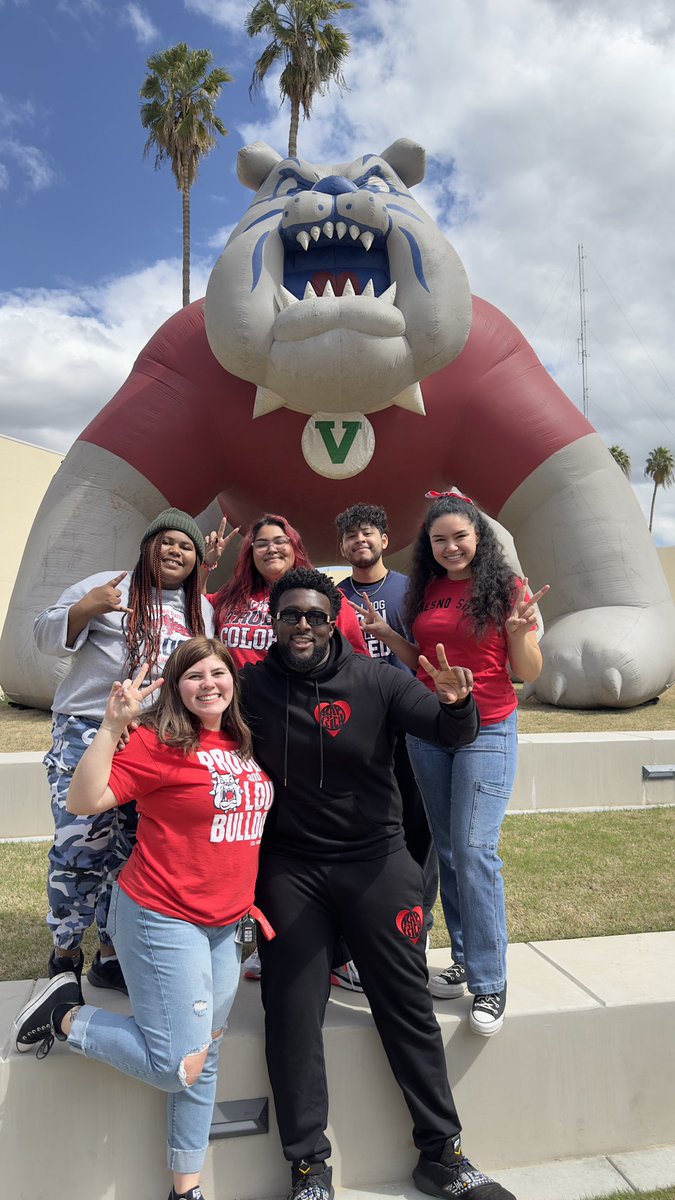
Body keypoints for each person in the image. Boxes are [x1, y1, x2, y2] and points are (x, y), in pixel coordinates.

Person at [238, 566, 516, 1200]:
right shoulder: (249, 686)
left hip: (376, 863)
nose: (302, 625)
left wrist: (457, 701)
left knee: (408, 1005)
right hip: (291, 871)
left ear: (333, 618)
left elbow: (451, 730)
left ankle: (443, 1156)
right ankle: (309, 1167)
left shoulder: (379, 680)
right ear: (273, 621)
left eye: (314, 614)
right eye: (290, 615)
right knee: (289, 1013)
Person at [13, 637, 274, 1200]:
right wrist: (110, 726)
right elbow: (85, 801)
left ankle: (187, 1189)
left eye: (217, 673)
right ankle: (64, 1016)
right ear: (177, 690)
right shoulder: (161, 743)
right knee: (178, 1064)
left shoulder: (243, 742)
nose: (209, 684)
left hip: (226, 925)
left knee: (205, 1058)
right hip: (163, 916)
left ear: (233, 680)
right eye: (193, 676)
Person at [355, 492, 548, 1037]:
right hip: (431, 728)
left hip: (487, 727)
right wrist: (389, 635)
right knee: (449, 849)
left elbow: (528, 670)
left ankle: (490, 980)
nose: (450, 547)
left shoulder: (507, 589)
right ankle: (464, 958)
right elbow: (424, 654)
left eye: (459, 536)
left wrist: (516, 633)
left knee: (474, 848)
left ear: (479, 537)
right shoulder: (427, 590)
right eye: (439, 540)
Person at [34, 508, 215, 999]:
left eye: (186, 546)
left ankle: (112, 952)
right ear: (147, 545)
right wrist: (87, 609)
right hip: (88, 732)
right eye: (166, 541)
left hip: (154, 742)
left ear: (197, 558)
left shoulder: (201, 608)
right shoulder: (107, 584)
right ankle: (66, 951)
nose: (174, 551)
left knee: (134, 851)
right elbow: (42, 635)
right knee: (80, 844)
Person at [208, 512, 368, 989]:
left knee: (313, 833)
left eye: (280, 540)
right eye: (261, 543)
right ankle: (262, 940)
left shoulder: (321, 599)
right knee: (253, 836)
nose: (270, 548)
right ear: (249, 552)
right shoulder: (229, 601)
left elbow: (352, 660)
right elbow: (188, 606)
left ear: (294, 545)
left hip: (303, 728)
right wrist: (203, 565)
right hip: (241, 729)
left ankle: (338, 950)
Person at [335, 501, 439, 930]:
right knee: (359, 827)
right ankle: (362, 919)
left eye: (368, 532)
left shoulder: (413, 591)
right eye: (351, 535)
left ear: (384, 540)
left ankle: (420, 919)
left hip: (408, 727)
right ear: (342, 546)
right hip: (356, 732)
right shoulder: (333, 597)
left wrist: (388, 634)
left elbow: (426, 659)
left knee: (419, 827)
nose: (360, 540)